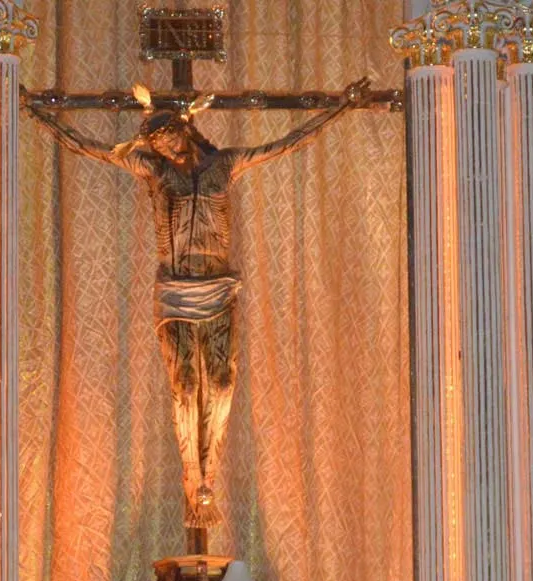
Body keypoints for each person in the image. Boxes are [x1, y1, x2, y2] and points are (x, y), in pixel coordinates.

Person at [26, 80, 369, 548]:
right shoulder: (153, 172)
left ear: (185, 130)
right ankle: (196, 483)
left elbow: (287, 143)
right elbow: (90, 148)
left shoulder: (223, 165)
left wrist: (341, 107)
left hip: (218, 288)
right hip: (175, 291)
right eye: (156, 144)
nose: (164, 149)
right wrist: (36, 113)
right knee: (185, 386)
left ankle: (210, 473)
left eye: (168, 139)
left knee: (223, 383)